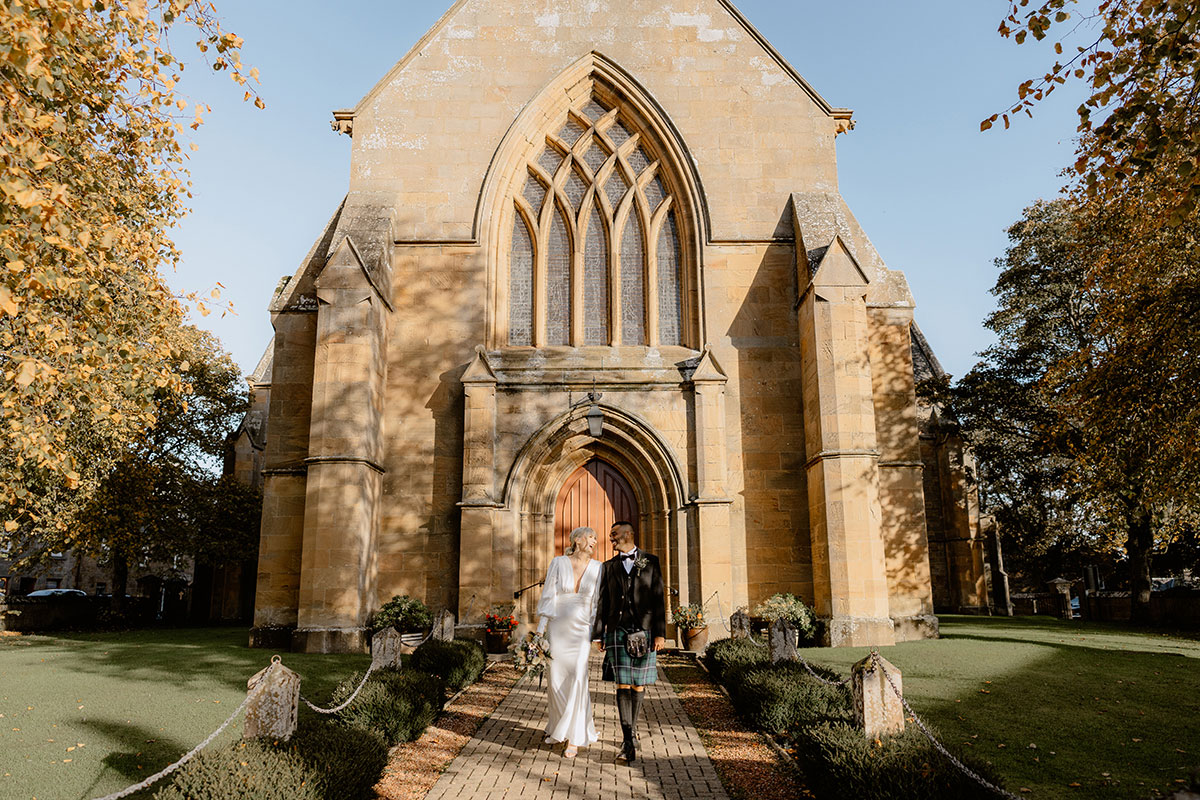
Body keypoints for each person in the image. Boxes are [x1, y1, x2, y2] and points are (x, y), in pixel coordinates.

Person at [592, 520, 666, 765]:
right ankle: (627, 739)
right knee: (622, 685)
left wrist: (660, 633)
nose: (611, 538)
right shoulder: (608, 566)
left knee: (638, 685)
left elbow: (658, 598)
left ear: (627, 534)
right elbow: (602, 602)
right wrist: (598, 633)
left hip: (644, 630)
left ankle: (631, 730)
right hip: (617, 631)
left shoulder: (649, 561)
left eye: (614, 534)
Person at [535, 525, 603, 758]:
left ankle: (575, 736)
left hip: (581, 630)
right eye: (591, 537)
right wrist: (540, 631)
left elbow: (596, 603)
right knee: (555, 680)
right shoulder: (558, 562)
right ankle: (557, 728)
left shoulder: (598, 568)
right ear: (577, 540)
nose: (594, 541)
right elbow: (548, 595)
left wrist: (596, 633)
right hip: (558, 627)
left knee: (577, 678)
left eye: (595, 538)